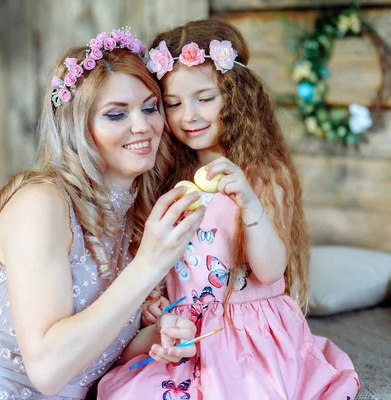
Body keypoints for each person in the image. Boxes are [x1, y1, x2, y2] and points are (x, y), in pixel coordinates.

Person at [0, 28, 204, 400]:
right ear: (78, 128)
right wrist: (148, 265)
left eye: (150, 107)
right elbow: (49, 370)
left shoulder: (136, 214)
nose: (143, 125)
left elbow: (92, 357)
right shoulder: (42, 204)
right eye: (116, 114)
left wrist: (155, 338)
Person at [97, 19, 360, 400]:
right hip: (186, 331)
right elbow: (158, 261)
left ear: (235, 97)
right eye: (172, 104)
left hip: (246, 332)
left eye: (205, 98)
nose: (188, 115)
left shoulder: (265, 175)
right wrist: (156, 305)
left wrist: (248, 203)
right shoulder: (167, 175)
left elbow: (270, 270)